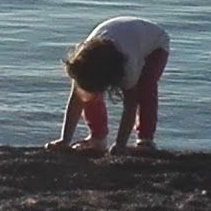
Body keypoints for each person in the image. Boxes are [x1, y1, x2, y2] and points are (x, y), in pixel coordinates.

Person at [45, 16, 170, 154]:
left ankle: (146, 141)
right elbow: (76, 100)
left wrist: (120, 144)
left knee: (145, 88)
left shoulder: (128, 66)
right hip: (123, 35)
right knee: (86, 93)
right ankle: (97, 138)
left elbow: (130, 106)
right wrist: (65, 140)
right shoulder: (82, 63)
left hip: (155, 43)